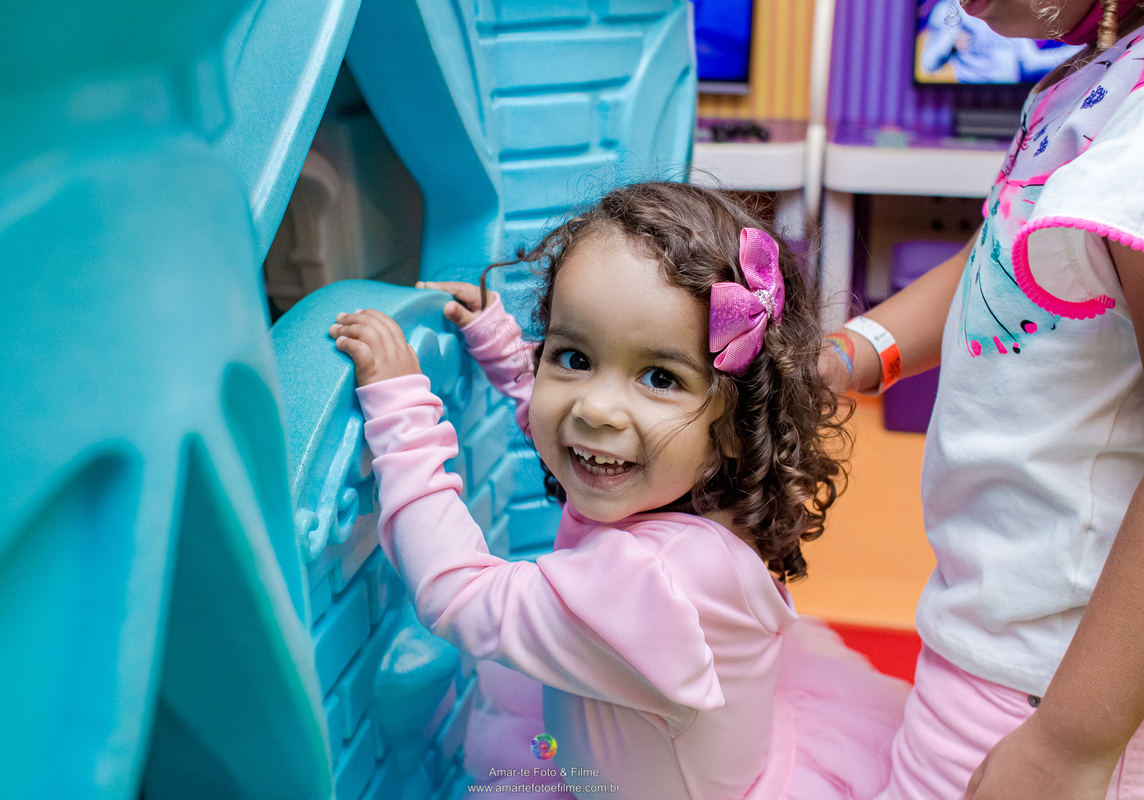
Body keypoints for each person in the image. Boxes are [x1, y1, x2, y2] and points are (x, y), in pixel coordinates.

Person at [329, 183, 909, 800]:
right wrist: (502, 346)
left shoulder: (647, 584)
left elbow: (460, 594)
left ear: (735, 424)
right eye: (574, 357)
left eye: (659, 377)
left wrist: (401, 414)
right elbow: (582, 429)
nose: (597, 407)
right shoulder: (702, 474)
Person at [819, 1, 1144, 797]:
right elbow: (994, 258)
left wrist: (1071, 741)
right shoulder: (1086, 86)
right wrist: (851, 355)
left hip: (1057, 686)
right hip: (986, 641)